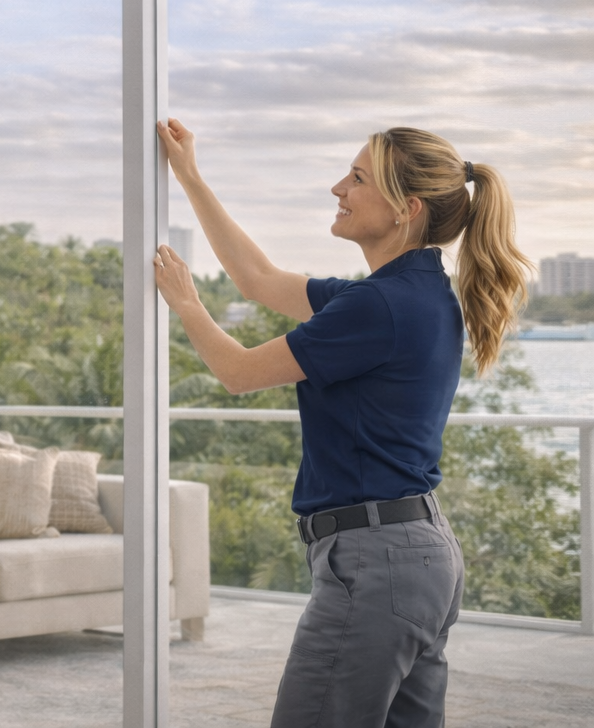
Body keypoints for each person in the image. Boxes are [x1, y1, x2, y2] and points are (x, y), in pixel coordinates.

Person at [151, 119, 530, 728]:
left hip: (377, 562)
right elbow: (260, 281)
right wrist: (189, 176)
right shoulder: (414, 291)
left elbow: (240, 373)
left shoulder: (378, 305)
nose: (338, 188)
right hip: (418, 558)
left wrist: (187, 304)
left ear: (406, 209)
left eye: (356, 178)